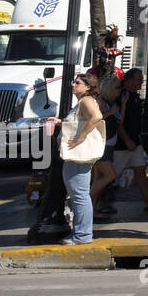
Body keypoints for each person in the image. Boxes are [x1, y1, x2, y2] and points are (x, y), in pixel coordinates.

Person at [56, 72, 107, 246]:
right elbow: (79, 122)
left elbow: (97, 117)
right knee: (79, 195)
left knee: (79, 196)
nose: (73, 85)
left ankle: (82, 234)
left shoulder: (86, 101)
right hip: (74, 156)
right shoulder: (82, 102)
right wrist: (60, 123)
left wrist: (81, 136)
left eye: (77, 83)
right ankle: (80, 233)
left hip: (78, 157)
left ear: (88, 87)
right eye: (73, 82)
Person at [112, 68, 148, 211]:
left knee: (141, 169)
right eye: (139, 80)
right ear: (129, 80)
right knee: (110, 176)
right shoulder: (121, 95)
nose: (141, 82)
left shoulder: (134, 95)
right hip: (122, 144)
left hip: (134, 142)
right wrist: (127, 139)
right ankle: (97, 202)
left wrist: (136, 139)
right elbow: (118, 122)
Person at [91, 74, 122, 220]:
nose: (119, 90)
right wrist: (110, 112)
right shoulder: (101, 103)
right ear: (110, 89)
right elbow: (94, 120)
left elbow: (120, 120)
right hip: (102, 144)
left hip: (108, 142)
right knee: (110, 175)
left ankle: (92, 209)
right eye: (117, 87)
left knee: (98, 177)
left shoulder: (111, 102)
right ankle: (85, 201)